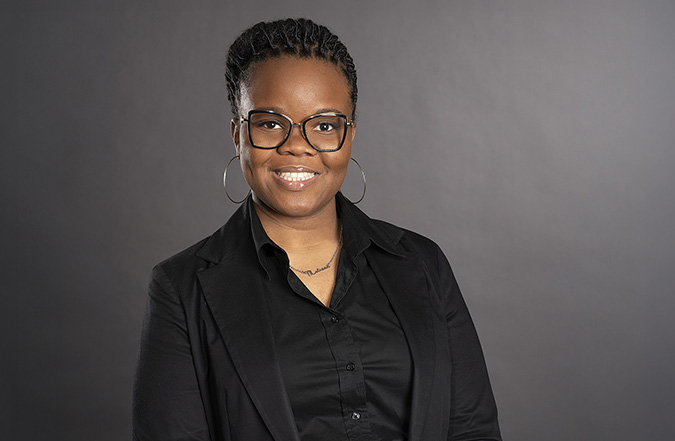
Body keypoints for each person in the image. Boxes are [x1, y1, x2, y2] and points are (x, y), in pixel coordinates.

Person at [132, 18, 501, 441]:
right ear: (239, 136)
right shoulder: (181, 290)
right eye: (270, 123)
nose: (297, 145)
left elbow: (473, 429)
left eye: (324, 125)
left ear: (349, 137)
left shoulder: (423, 263)